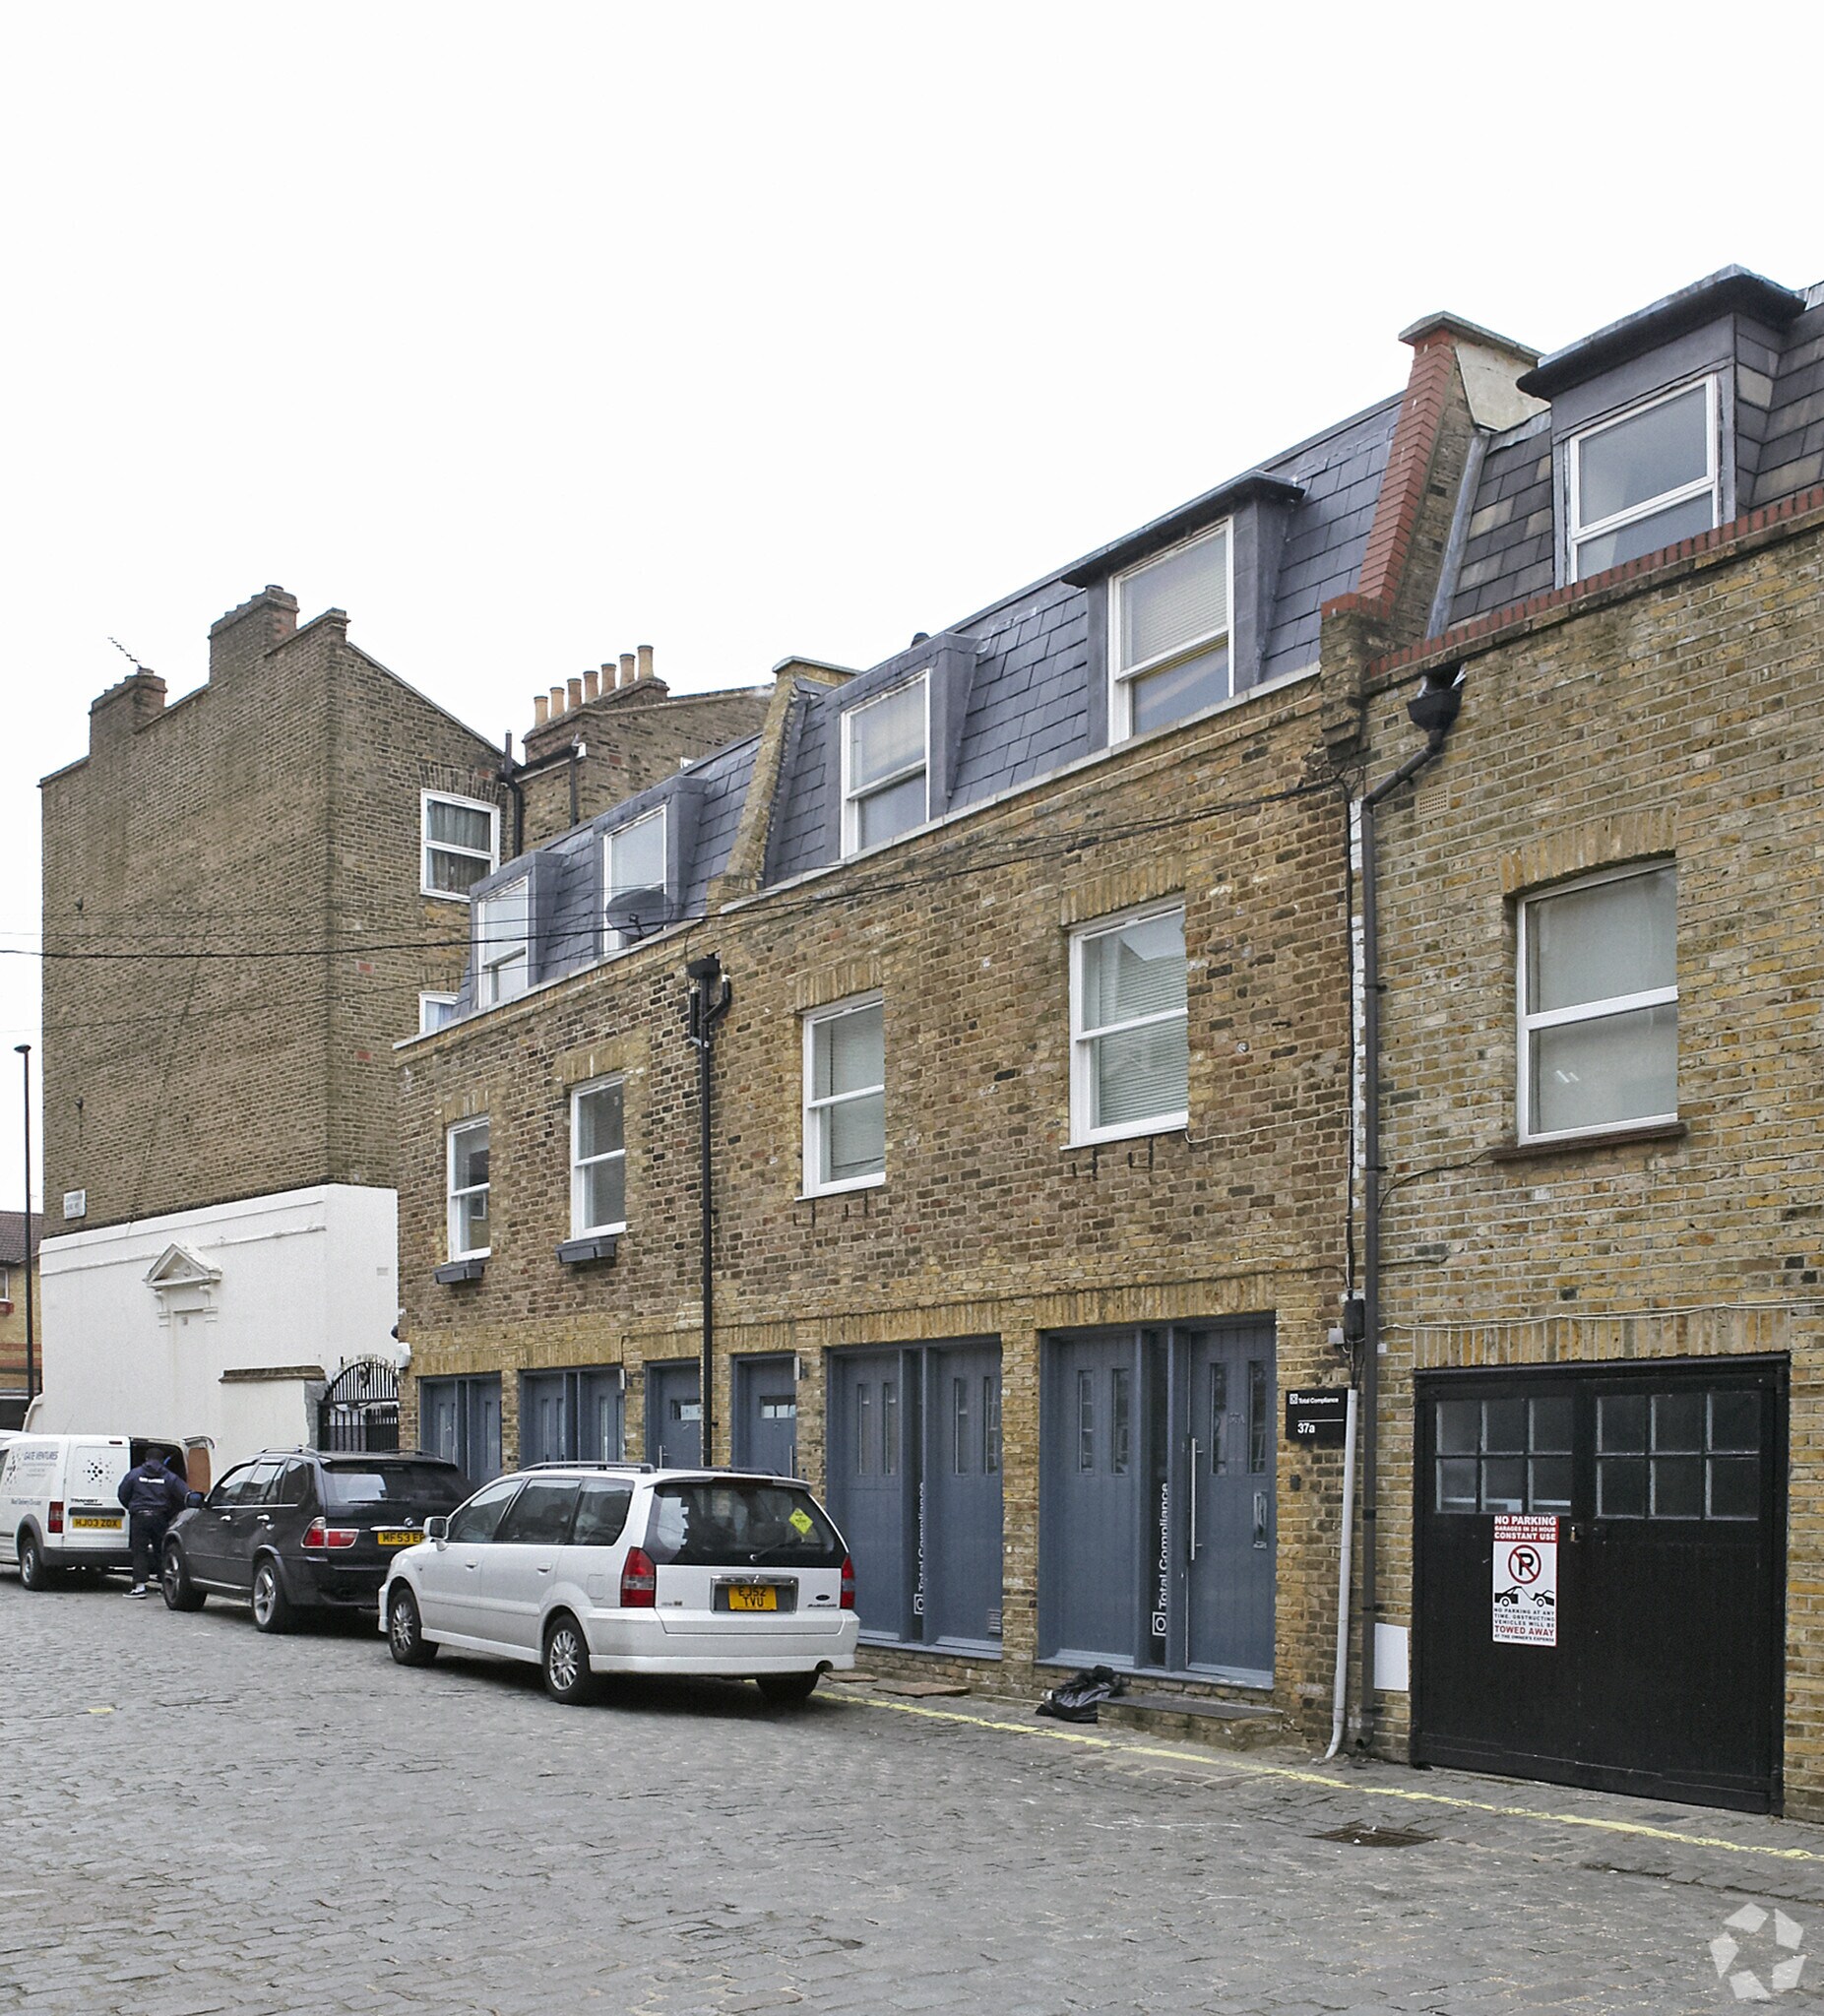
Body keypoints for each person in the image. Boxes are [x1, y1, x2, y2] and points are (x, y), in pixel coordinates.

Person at [116, 1449, 189, 1599]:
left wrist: (132, 1507)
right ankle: (165, 1584)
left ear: (146, 1458)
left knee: (139, 1551)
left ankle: (139, 1587)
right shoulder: (169, 1476)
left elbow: (122, 1493)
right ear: (162, 1460)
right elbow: (185, 1494)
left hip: (140, 1517)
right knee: (161, 1551)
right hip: (159, 1517)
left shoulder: (134, 1474)